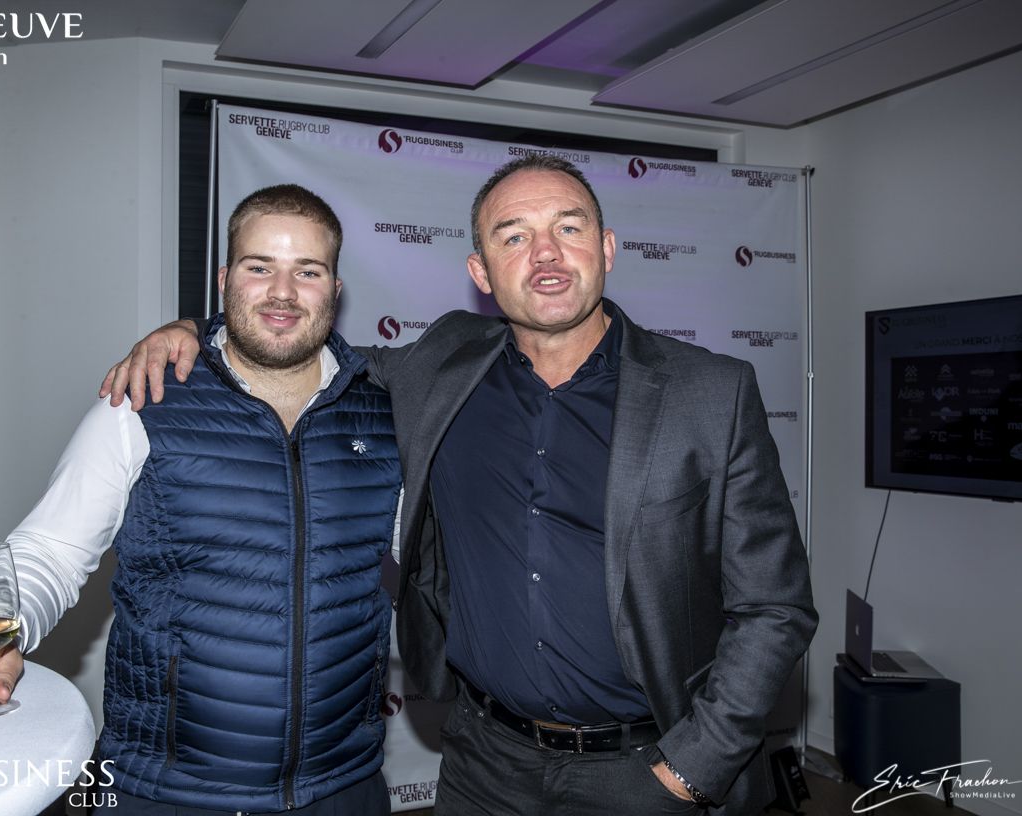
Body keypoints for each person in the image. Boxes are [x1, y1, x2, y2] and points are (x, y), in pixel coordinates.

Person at [101, 156, 818, 815]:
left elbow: (775, 606)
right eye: (514, 236)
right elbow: (296, 337)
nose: (545, 253)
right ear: (481, 271)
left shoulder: (710, 393)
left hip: (645, 771)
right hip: (483, 766)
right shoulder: (444, 364)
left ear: (606, 249)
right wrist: (191, 331)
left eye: (568, 228)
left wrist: (693, 766)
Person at [0, 185, 400, 816]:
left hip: (343, 784)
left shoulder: (385, 413)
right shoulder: (145, 398)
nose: (282, 292)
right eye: (259, 267)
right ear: (224, 280)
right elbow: (51, 550)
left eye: (308, 271)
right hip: (162, 788)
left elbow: (441, 554)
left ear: (335, 289)